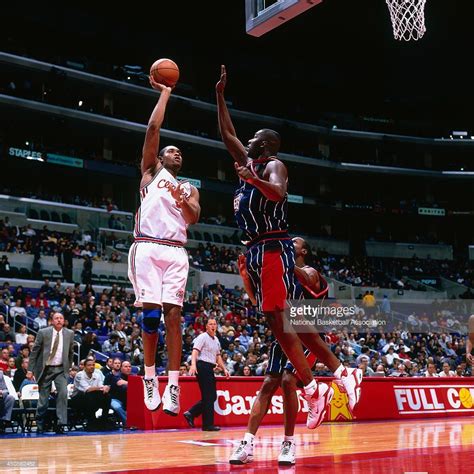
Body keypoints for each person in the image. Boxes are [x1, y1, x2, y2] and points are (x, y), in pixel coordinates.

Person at [216, 65, 347, 429]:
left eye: (255, 139)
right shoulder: (248, 164)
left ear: (268, 145)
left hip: (273, 245)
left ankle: (316, 386)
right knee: (277, 323)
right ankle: (326, 380)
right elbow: (226, 133)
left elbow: (278, 193)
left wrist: (253, 177)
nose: (249, 140)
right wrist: (220, 95)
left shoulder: (273, 165)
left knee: (285, 324)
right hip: (257, 249)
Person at [230, 236, 361, 465]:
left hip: (308, 336)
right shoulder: (279, 275)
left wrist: (283, 262)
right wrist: (245, 277)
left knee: (288, 381)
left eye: (295, 243)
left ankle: (289, 443)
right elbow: (257, 302)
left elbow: (309, 279)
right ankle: (247, 443)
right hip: (284, 334)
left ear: (304, 251)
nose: (289, 243)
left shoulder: (311, 273)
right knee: (268, 383)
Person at [128, 74, 200, 416]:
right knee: (151, 316)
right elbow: (153, 129)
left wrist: (180, 198)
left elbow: (194, 216)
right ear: (160, 158)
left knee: (174, 317)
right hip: (147, 246)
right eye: (172, 151)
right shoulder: (149, 172)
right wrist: (166, 94)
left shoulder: (188, 187)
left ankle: (172, 384)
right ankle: (149, 377)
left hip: (175, 251)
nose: (177, 154)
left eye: (180, 153)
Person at [28, 312, 75, 434]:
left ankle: (61, 423)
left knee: (63, 394)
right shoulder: (43, 332)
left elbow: (71, 352)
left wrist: (69, 366)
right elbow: (35, 352)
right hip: (46, 369)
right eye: (56, 318)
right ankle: (39, 423)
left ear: (64, 321)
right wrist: (30, 370)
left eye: (61, 318)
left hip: (60, 369)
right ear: (52, 321)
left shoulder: (69, 333)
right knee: (43, 400)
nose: (59, 320)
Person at [183, 318, 230, 431]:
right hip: (202, 366)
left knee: (211, 396)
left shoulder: (216, 340)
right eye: (210, 324)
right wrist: (193, 365)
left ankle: (191, 413)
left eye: (214, 324)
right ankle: (207, 424)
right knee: (209, 396)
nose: (213, 326)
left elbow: (218, 356)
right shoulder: (202, 337)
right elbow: (195, 351)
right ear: (206, 327)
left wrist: (224, 369)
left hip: (209, 368)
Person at [70, 358, 113, 431]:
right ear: (84, 367)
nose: (92, 367)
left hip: (93, 397)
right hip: (77, 398)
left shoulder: (97, 375)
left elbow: (101, 388)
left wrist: (106, 388)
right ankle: (92, 423)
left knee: (107, 396)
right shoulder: (79, 375)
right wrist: (101, 387)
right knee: (89, 396)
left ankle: (103, 421)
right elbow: (87, 389)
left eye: (93, 365)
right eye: (89, 365)